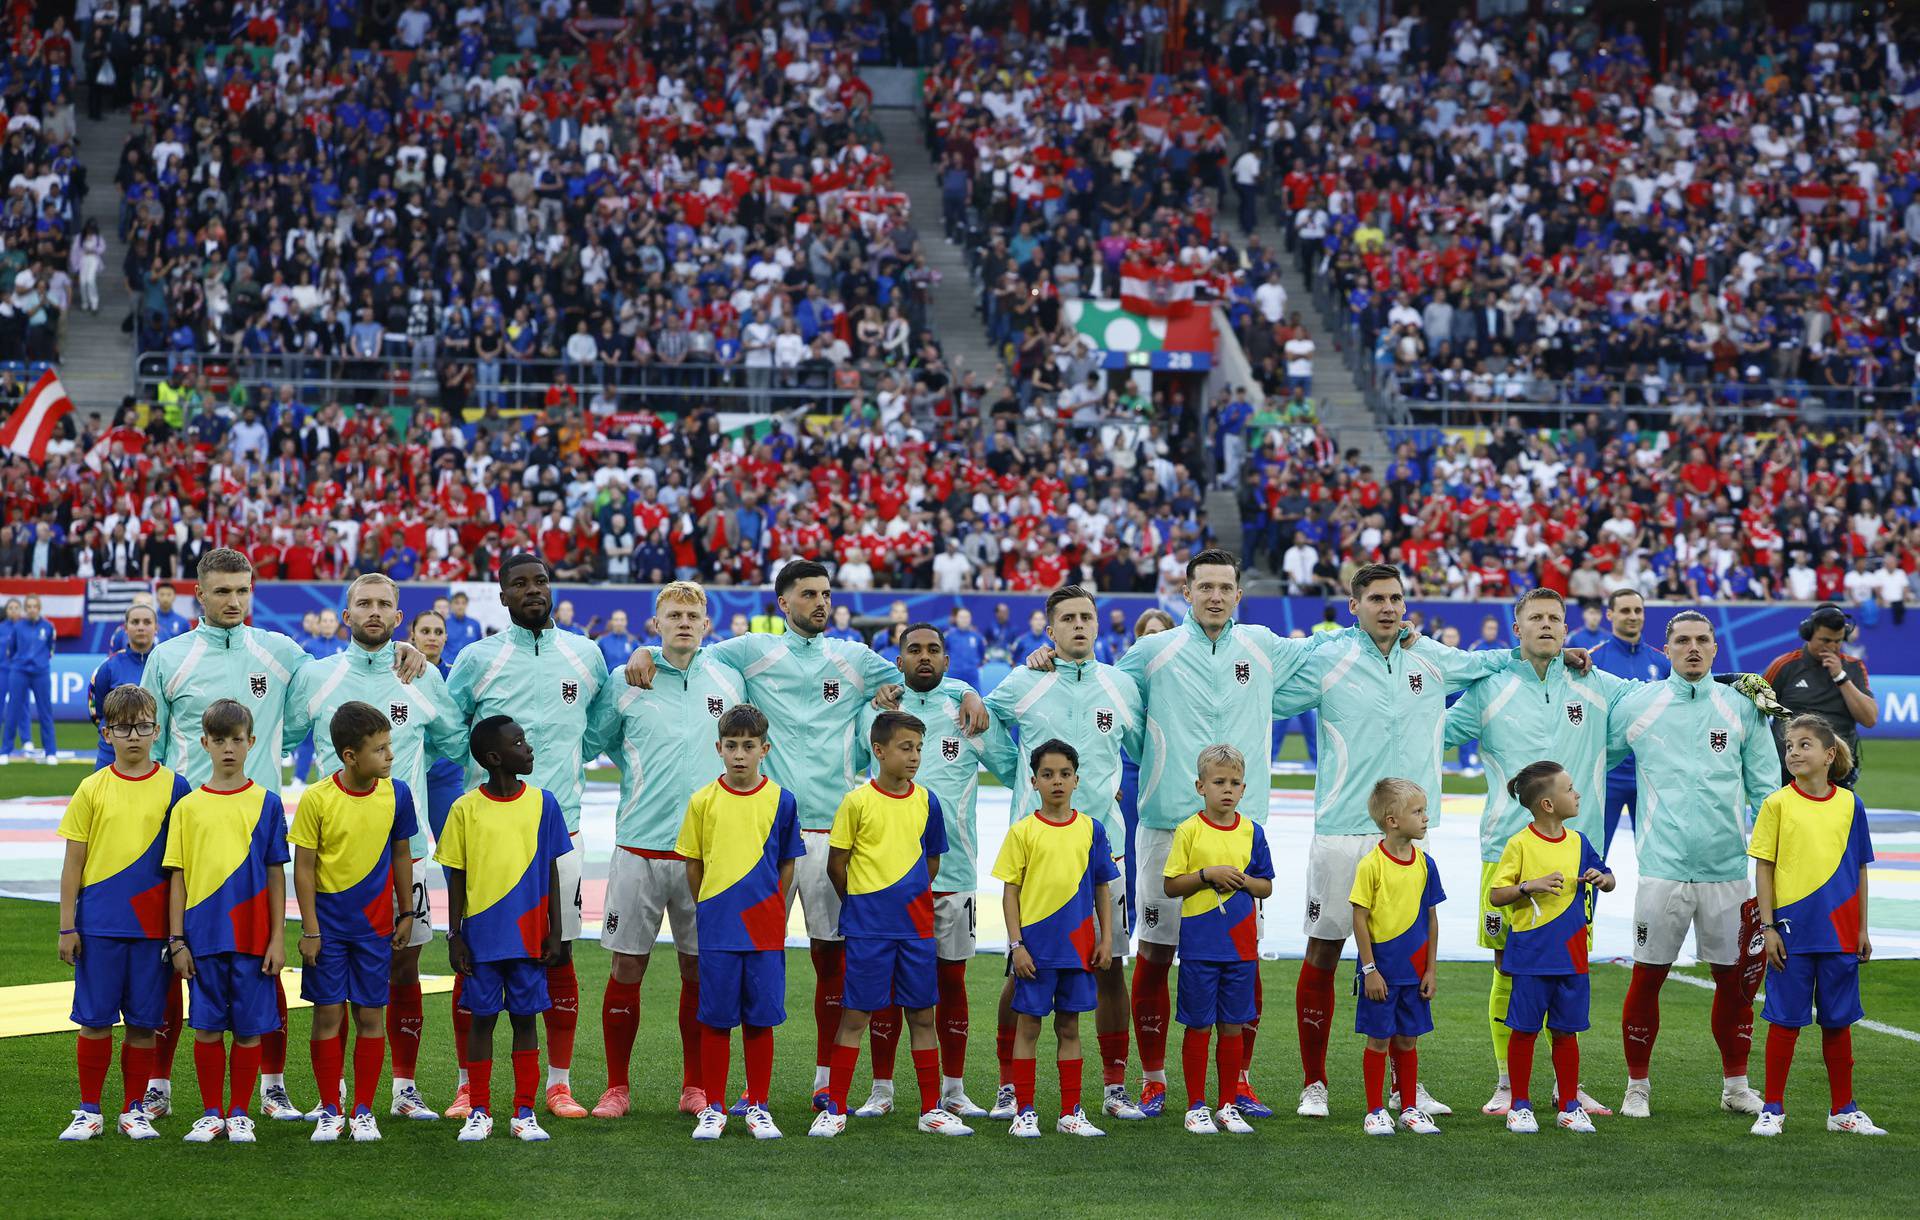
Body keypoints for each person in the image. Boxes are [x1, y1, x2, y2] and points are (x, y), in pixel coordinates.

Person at [623, 560, 985, 1108]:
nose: (821, 601)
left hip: (835, 831)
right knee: (756, 955)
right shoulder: (747, 651)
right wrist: (643, 652)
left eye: (826, 593)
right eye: (809, 593)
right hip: (768, 834)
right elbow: (687, 658)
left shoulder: (853, 658)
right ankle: (745, 1089)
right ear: (783, 602)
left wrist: (965, 691)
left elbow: (917, 676)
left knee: (833, 961)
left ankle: (824, 1081)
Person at [1271, 563, 1508, 1119]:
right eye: (1376, 598)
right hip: (1341, 831)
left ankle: (1407, 1087)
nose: (1388, 607)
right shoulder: (1328, 658)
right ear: (1353, 606)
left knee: (1402, 963)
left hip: (1407, 841)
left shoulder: (1431, 658)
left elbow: (1490, 663)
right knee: (1325, 951)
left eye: (1397, 599)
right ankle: (1315, 1083)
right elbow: (1266, 694)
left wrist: (1560, 656)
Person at [283, 576, 467, 1122]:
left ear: (398, 615)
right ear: (345, 614)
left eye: (384, 604)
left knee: (403, 968)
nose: (374, 611)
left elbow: (456, 743)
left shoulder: (422, 675)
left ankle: (403, 1089)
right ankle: (332, 1098)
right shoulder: (316, 676)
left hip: (401, 854)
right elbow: (280, 734)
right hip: (331, 860)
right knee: (333, 987)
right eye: (363, 603)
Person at [1443, 588, 1623, 1117]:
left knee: (1568, 969)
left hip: (1576, 858)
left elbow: (1643, 711)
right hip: (1506, 851)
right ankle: (1506, 1081)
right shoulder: (1488, 689)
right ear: (1515, 627)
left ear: (1568, 630)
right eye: (1535, 618)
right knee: (1507, 968)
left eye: (1555, 618)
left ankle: (1566, 1087)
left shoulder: (1595, 686)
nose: (1546, 625)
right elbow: (1433, 735)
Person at [447, 553, 606, 1120]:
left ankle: (558, 1085)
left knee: (556, 957)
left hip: (560, 831)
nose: (533, 590)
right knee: (475, 963)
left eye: (541, 580)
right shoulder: (476, 659)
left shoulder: (585, 655)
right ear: (502, 595)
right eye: (520, 584)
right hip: (489, 839)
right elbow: (448, 728)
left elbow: (598, 733)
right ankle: (470, 1086)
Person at [1606, 611, 1778, 1119]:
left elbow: (1766, 790)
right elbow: (1599, 757)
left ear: (1716, 649)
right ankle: (1637, 1086)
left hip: (1727, 871)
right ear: (1667, 650)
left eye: (1703, 640)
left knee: (1734, 982)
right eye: (1682, 641)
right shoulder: (1640, 704)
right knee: (1648, 977)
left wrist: (1773, 862)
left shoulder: (1743, 709)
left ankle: (1736, 1087)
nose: (1694, 648)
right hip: (1661, 868)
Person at [583, 582, 743, 1119]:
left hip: (708, 854)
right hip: (638, 847)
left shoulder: (728, 677)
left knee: (699, 971)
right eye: (673, 614)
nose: (683, 622)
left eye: (692, 614)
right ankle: (616, 1088)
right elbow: (595, 742)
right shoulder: (626, 679)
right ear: (656, 623)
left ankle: (695, 1086)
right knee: (627, 966)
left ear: (706, 623)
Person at [988, 586, 1145, 1121]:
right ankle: (1009, 1086)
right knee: (1021, 970)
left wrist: (1122, 788)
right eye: (1068, 619)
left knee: (1109, 967)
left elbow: (1146, 747)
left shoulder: (1120, 685)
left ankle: (1115, 1087)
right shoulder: (1025, 680)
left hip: (1104, 858)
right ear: (1048, 630)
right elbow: (981, 724)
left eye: (1087, 617)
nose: (1079, 626)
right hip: (1035, 859)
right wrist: (1017, 773)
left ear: (1097, 626)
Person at [850, 624, 1016, 1120]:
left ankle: (954, 1089)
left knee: (951, 982)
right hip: (886, 878)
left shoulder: (968, 711)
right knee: (884, 987)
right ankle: (881, 1090)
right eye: (914, 650)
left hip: (953, 872)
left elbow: (1014, 770)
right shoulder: (875, 713)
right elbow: (848, 766)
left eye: (934, 650)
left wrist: (971, 693)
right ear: (898, 660)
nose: (925, 657)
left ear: (947, 659)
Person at [810, 711, 968, 1138]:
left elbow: (931, 860)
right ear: (878, 752)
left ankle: (931, 1110)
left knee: (921, 1015)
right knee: (856, 1016)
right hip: (867, 931)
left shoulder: (927, 801)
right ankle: (836, 1108)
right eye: (905, 747)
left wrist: (908, 900)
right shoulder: (857, 802)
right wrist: (865, 905)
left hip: (915, 930)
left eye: (918, 747)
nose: (914, 756)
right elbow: (836, 864)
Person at [55, 684, 192, 1142]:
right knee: (94, 1020)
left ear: (157, 730)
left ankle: (133, 1110)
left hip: (153, 931)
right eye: (123, 727)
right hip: (98, 926)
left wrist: (177, 935)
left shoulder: (177, 787)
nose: (134, 736)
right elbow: (73, 863)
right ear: (106, 731)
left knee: (143, 1022)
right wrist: (67, 926)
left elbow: (180, 868)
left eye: (143, 726)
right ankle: (89, 1110)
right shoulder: (91, 787)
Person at [161, 699, 291, 1144]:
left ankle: (240, 1113)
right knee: (208, 1026)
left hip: (254, 939)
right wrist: (176, 939)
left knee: (251, 1031)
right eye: (219, 740)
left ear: (251, 742)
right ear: (205, 744)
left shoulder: (268, 804)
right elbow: (177, 877)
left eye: (237, 739)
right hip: (202, 937)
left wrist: (278, 937)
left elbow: (276, 874)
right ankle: (212, 1112)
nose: (229, 748)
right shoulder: (188, 807)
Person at [289, 702, 420, 1144]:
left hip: (375, 928)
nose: (389, 756)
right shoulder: (317, 799)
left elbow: (402, 855)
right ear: (350, 756)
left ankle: (363, 1110)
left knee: (370, 1015)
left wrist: (406, 913)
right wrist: (310, 929)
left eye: (390, 747)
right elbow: (302, 868)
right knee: (327, 1014)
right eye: (380, 749)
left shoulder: (398, 793)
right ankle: (331, 1109)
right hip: (327, 929)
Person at [437, 715, 570, 1143]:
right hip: (481, 939)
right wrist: (455, 934)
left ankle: (524, 1112)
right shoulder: (464, 808)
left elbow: (551, 870)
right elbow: (455, 875)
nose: (528, 748)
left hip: (530, 936)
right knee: (482, 1022)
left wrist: (556, 930)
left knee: (526, 1019)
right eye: (519, 742)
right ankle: (479, 1110)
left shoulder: (545, 803)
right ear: (495, 757)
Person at [1749, 715, 1882, 1137]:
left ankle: (1843, 1109)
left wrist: (1861, 927)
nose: (1793, 752)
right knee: (1785, 1022)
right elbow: (1764, 870)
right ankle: (1772, 1109)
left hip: (1840, 933)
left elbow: (1859, 870)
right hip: (1791, 932)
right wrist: (1767, 927)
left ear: (1828, 755)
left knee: (1837, 1022)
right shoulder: (1776, 804)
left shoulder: (1850, 804)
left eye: (1804, 745)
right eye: (1789, 746)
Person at [677, 703, 805, 1141]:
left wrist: (773, 906)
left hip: (764, 928)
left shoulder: (782, 801)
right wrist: (710, 907)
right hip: (718, 928)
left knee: (760, 1018)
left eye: (748, 746)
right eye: (731, 745)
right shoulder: (702, 801)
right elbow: (693, 865)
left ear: (764, 749)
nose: (739, 754)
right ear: (718, 748)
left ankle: (758, 1106)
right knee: (715, 1019)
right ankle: (713, 1108)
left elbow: (788, 863)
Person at [992, 738, 1119, 1139]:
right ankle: (1024, 1112)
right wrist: (1017, 945)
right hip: (1036, 952)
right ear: (1034, 781)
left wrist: (1106, 939)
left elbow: (1102, 887)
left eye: (1065, 774)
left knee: (1069, 1028)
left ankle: (1071, 1112)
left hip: (1079, 950)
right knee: (1028, 1027)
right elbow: (1010, 892)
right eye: (1048, 774)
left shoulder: (1091, 830)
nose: (1057, 782)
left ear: (1077, 779)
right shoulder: (1023, 831)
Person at [1487, 760, 1615, 1135]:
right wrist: (1530, 885)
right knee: (1524, 1030)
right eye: (1569, 789)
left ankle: (1570, 1107)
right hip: (1531, 956)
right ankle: (1520, 1106)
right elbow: (1497, 894)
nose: (1576, 794)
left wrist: (1602, 878)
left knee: (1566, 1031)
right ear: (1547, 804)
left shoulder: (1579, 842)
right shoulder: (1520, 844)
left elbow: (1608, 878)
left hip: (1573, 955)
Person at [1162, 744, 1274, 1136]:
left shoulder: (1252, 832)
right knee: (1198, 1026)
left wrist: (1242, 880)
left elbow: (1266, 886)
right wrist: (1208, 874)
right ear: (1200, 786)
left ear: (1244, 789)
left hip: (1241, 949)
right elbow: (1172, 885)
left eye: (1235, 783)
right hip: (1200, 948)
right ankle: (1196, 1106)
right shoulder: (1189, 831)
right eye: (1219, 782)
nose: (1227, 789)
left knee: (1232, 1026)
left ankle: (1227, 1104)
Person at [1349, 779, 1444, 1137]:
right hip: (1382, 974)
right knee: (1378, 1040)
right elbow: (1359, 917)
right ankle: (1374, 1111)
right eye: (1418, 812)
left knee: (1408, 1040)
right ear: (1392, 821)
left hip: (1414, 972)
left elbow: (1431, 918)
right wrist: (1369, 970)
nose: (1425, 818)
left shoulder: (1425, 864)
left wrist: (1431, 969)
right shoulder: (1371, 865)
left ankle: (1408, 1108)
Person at [1587, 589, 1671, 858]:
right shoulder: (1593, 660)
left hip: (1651, 777)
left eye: (1638, 610)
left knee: (1657, 862)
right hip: (1605, 777)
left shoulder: (1662, 662)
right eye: (1625, 610)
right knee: (1592, 860)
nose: (1633, 616)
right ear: (1609, 614)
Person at [1761, 604, 1875, 788]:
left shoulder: (1853, 667)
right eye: (1825, 640)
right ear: (1808, 635)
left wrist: (1841, 677)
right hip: (1788, 770)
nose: (1832, 647)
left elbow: (1869, 719)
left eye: (1838, 641)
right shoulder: (1785, 666)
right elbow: (1756, 711)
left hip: (1837, 770)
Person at [88, 604, 159, 769]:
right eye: (135, 622)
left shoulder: (167, 664)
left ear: (156, 628)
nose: (141, 627)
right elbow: (96, 712)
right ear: (125, 628)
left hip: (156, 752)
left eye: (147, 622)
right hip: (111, 754)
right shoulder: (108, 667)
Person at [292, 611, 349, 781]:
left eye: (331, 620)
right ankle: (299, 778)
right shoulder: (307, 645)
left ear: (336, 623)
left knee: (336, 741)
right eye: (324, 620)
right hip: (312, 701)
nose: (328, 624)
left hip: (337, 703)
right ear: (319, 623)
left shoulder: (346, 647)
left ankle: (336, 779)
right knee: (307, 741)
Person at [5, 594, 58, 762]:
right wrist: (19, 663)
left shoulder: (48, 627)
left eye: (35, 606)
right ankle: (5, 751)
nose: (32, 609)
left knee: (45, 712)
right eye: (28, 606)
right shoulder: (18, 627)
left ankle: (50, 752)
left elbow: (50, 649)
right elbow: (11, 650)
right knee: (13, 710)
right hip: (19, 672)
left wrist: (40, 663)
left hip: (40, 673)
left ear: (39, 608)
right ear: (25, 609)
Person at [443, 592, 484, 659]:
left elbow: (480, 646)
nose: (460, 606)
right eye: (457, 603)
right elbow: (441, 647)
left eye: (463, 603)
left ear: (467, 605)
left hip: (471, 665)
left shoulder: (475, 624)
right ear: (451, 605)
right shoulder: (444, 623)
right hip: (450, 665)